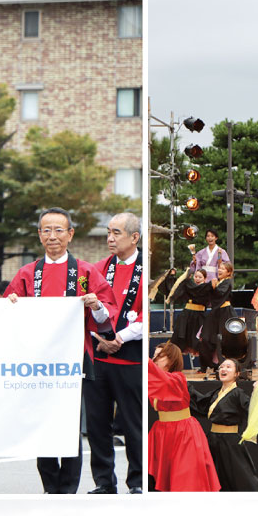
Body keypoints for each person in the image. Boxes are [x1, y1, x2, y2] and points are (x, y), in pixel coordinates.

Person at [4, 208, 117, 494]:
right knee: (42, 423)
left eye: (58, 230)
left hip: (73, 359)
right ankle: (50, 487)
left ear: (70, 234)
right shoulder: (27, 273)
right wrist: (13, 303)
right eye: (46, 230)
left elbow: (107, 318)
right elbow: (7, 312)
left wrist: (96, 305)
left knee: (68, 424)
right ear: (39, 234)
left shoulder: (85, 272)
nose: (52, 236)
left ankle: (67, 489)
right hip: (36, 361)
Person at [85, 212, 145, 495]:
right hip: (98, 354)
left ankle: (137, 481)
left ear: (135, 237)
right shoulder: (97, 269)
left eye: (117, 233)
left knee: (134, 424)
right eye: (109, 231)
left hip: (131, 357)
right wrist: (102, 337)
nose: (110, 238)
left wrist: (119, 336)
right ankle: (104, 482)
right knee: (97, 424)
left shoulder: (148, 269)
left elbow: (146, 316)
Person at [147, 343, 218, 492]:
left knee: (185, 480)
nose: (155, 359)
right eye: (154, 356)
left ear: (172, 359)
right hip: (161, 432)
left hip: (184, 434)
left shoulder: (178, 378)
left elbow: (162, 380)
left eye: (160, 356)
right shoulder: (154, 379)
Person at [188, 356, 258, 491]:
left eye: (228, 367)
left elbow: (253, 410)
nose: (223, 369)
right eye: (221, 367)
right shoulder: (216, 393)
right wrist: (184, 385)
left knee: (242, 478)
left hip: (230, 442)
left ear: (237, 374)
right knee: (212, 477)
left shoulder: (238, 394)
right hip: (212, 439)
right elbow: (200, 404)